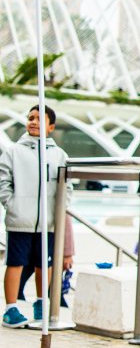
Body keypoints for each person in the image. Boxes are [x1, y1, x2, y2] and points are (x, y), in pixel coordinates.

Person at [0, 104, 72, 328]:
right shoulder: (13, 151)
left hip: (47, 222)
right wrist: (12, 205)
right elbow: (3, 182)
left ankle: (41, 304)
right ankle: (10, 309)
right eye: (30, 117)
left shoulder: (59, 155)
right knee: (16, 264)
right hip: (20, 221)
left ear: (51, 127)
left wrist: (59, 210)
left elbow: (67, 187)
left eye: (40, 119)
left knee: (44, 265)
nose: (33, 122)